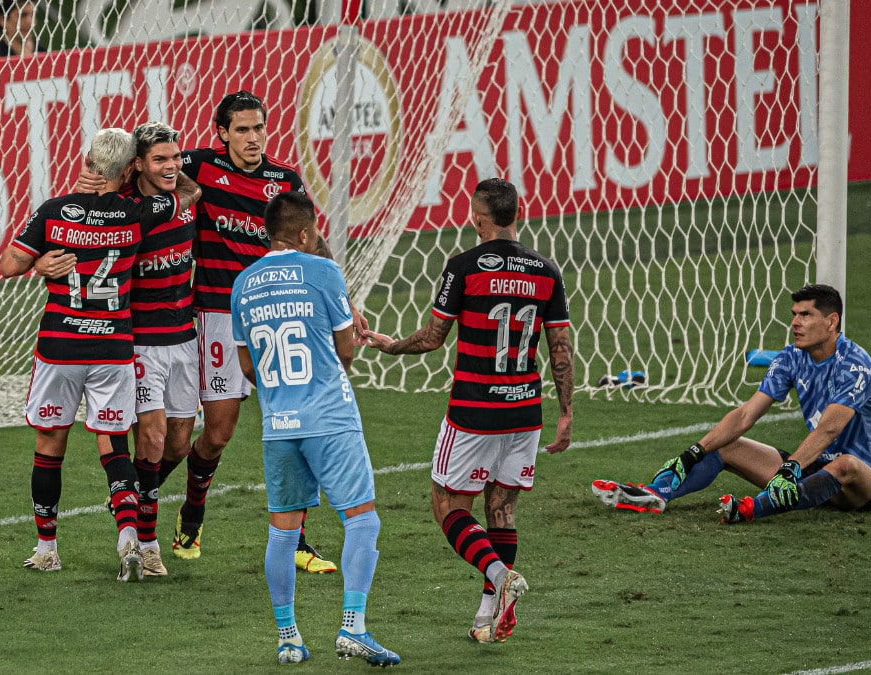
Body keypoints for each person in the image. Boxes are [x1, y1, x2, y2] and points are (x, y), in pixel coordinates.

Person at [75, 91, 345, 573]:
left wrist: (343, 296)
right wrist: (99, 181)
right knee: (214, 436)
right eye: (242, 129)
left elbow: (311, 238)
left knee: (296, 419)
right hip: (215, 315)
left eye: (259, 127)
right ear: (222, 133)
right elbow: (144, 168)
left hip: (279, 315)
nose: (253, 137)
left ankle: (300, 539)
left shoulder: (284, 181)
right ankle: (180, 509)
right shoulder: (195, 167)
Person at [362, 178, 574, 644]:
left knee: (447, 507)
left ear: (478, 218)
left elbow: (434, 337)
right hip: (525, 412)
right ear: (517, 214)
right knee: (502, 509)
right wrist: (565, 411)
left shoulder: (462, 267)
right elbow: (560, 346)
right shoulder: (546, 270)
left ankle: (499, 578)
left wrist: (391, 345)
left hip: (474, 412)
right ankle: (487, 617)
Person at [0, 127, 201, 581]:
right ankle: (129, 536)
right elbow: (189, 193)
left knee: (49, 447)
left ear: (89, 164)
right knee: (115, 449)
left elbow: (9, 264)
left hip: (60, 347)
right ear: (131, 168)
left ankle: (47, 547)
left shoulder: (53, 211)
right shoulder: (138, 214)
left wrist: (40, 263)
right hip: (112, 346)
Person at [232, 192, 399, 666]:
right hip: (329, 416)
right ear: (305, 234)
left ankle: (288, 638)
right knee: (362, 518)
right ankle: (354, 628)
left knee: (283, 533)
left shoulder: (242, 283)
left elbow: (248, 366)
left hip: (278, 423)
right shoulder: (323, 271)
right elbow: (346, 352)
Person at [591, 284, 871, 524]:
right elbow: (744, 415)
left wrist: (791, 467)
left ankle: (755, 509)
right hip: (811, 469)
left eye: (805, 315)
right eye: (794, 314)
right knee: (726, 446)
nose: (795, 322)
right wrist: (692, 453)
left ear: (832, 321)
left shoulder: (854, 365)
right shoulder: (790, 357)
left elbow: (829, 428)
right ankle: (656, 493)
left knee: (845, 464)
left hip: (867, 482)